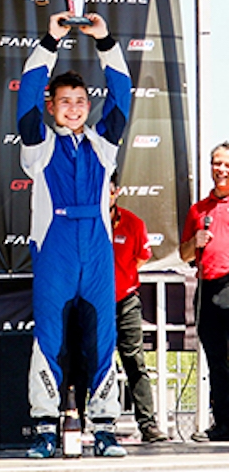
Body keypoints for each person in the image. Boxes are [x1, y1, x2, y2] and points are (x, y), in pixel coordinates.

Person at [17, 11, 131, 458]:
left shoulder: (104, 145)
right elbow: (28, 94)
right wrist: (50, 40)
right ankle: (45, 428)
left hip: (97, 252)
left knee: (103, 338)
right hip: (56, 249)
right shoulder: (39, 147)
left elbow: (121, 93)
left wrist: (105, 41)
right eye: (64, 101)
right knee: (48, 338)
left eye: (81, 100)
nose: (74, 107)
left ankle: (104, 429)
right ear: (52, 107)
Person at [109, 174, 168, 443]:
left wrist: (123, 279)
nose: (106, 195)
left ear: (117, 191)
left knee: (134, 360)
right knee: (89, 362)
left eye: (110, 190)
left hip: (126, 301)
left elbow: (142, 257)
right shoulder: (88, 222)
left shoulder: (133, 223)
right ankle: (83, 423)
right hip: (93, 303)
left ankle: (148, 424)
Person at [180, 140, 229, 442]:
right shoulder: (199, 209)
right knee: (215, 358)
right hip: (207, 287)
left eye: (226, 164)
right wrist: (194, 241)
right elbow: (184, 254)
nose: (221, 169)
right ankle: (223, 423)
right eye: (216, 163)